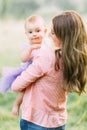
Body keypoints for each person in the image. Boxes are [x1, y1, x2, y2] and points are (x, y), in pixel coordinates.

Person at [11, 10, 87, 130]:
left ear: (62, 36)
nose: (48, 35)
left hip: (36, 121)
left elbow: (16, 86)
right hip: (59, 121)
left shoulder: (46, 57)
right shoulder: (74, 60)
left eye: (52, 32)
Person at [0, 15, 47, 116]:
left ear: (45, 31)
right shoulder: (28, 46)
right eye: (30, 32)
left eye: (37, 31)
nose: (34, 34)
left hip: (41, 72)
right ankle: (16, 105)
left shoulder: (46, 44)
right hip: (27, 71)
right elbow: (23, 58)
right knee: (23, 90)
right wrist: (30, 49)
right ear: (26, 34)